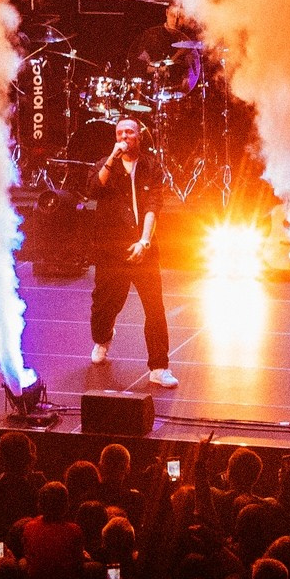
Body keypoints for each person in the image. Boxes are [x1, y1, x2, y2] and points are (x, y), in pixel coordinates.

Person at [89, 117, 175, 387]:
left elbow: (153, 206)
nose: (124, 136)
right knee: (105, 305)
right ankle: (103, 337)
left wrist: (144, 242)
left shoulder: (150, 166)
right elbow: (93, 189)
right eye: (119, 132)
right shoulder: (106, 164)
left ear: (139, 136)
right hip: (111, 249)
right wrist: (112, 158)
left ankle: (159, 367)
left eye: (130, 132)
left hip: (143, 248)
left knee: (154, 307)